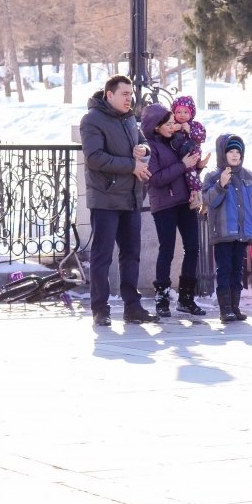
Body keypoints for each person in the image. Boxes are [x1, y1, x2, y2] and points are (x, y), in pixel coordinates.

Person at [80, 74, 156, 326]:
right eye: (124, 94)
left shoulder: (129, 119)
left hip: (131, 197)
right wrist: (131, 166)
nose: (129, 98)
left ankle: (132, 307)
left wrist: (143, 150)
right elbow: (95, 158)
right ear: (109, 95)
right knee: (102, 255)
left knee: (131, 254)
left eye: (131, 94)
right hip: (105, 198)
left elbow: (144, 142)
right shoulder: (91, 120)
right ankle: (100, 309)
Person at [141, 102, 205, 319]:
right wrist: (184, 165)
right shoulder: (149, 147)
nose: (173, 126)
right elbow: (156, 179)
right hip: (164, 204)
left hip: (185, 201)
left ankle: (187, 298)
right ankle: (162, 297)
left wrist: (197, 166)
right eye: (168, 123)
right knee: (166, 249)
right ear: (156, 126)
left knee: (192, 248)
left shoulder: (177, 141)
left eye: (172, 122)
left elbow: (188, 168)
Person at [203, 134, 252, 322]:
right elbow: (208, 201)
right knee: (224, 269)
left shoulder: (249, 176)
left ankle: (235, 307)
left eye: (238, 152)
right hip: (223, 232)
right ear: (223, 153)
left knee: (238, 269)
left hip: (242, 233)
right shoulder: (213, 175)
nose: (235, 155)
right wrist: (221, 184)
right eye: (231, 151)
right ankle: (224, 308)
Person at [169, 96, 209, 210]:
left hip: (192, 154)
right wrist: (173, 129)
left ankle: (197, 196)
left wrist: (190, 131)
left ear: (191, 113)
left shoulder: (195, 125)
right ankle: (196, 196)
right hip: (179, 157)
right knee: (188, 174)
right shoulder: (172, 124)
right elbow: (167, 138)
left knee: (192, 174)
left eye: (186, 112)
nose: (182, 115)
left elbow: (202, 137)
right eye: (178, 112)